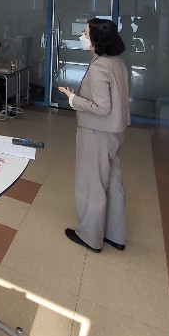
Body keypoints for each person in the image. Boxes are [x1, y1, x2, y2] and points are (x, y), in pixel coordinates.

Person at [58, 18, 130, 254]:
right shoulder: (116, 62)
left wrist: (73, 99)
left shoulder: (99, 67)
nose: (82, 37)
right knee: (113, 182)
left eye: (85, 33)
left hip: (97, 131)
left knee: (94, 183)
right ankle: (115, 234)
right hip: (115, 131)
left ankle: (90, 235)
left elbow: (102, 107)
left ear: (96, 39)